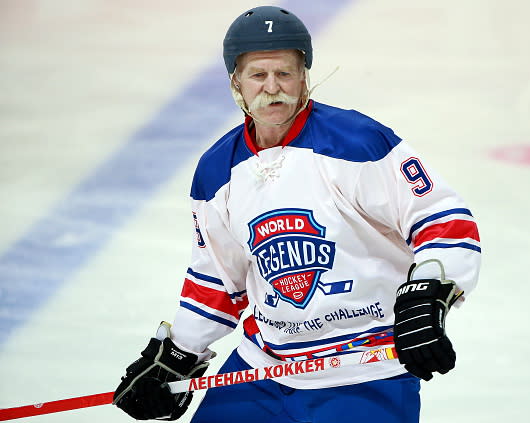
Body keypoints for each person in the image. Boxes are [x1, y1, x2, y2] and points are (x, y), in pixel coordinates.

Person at [113, 5, 481, 423]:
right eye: (258, 75)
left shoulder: (357, 144)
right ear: (236, 82)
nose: (273, 88)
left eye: (285, 73)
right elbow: (217, 278)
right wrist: (179, 353)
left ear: (304, 75)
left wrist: (430, 290)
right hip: (263, 367)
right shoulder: (217, 171)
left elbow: (443, 219)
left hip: (364, 368)